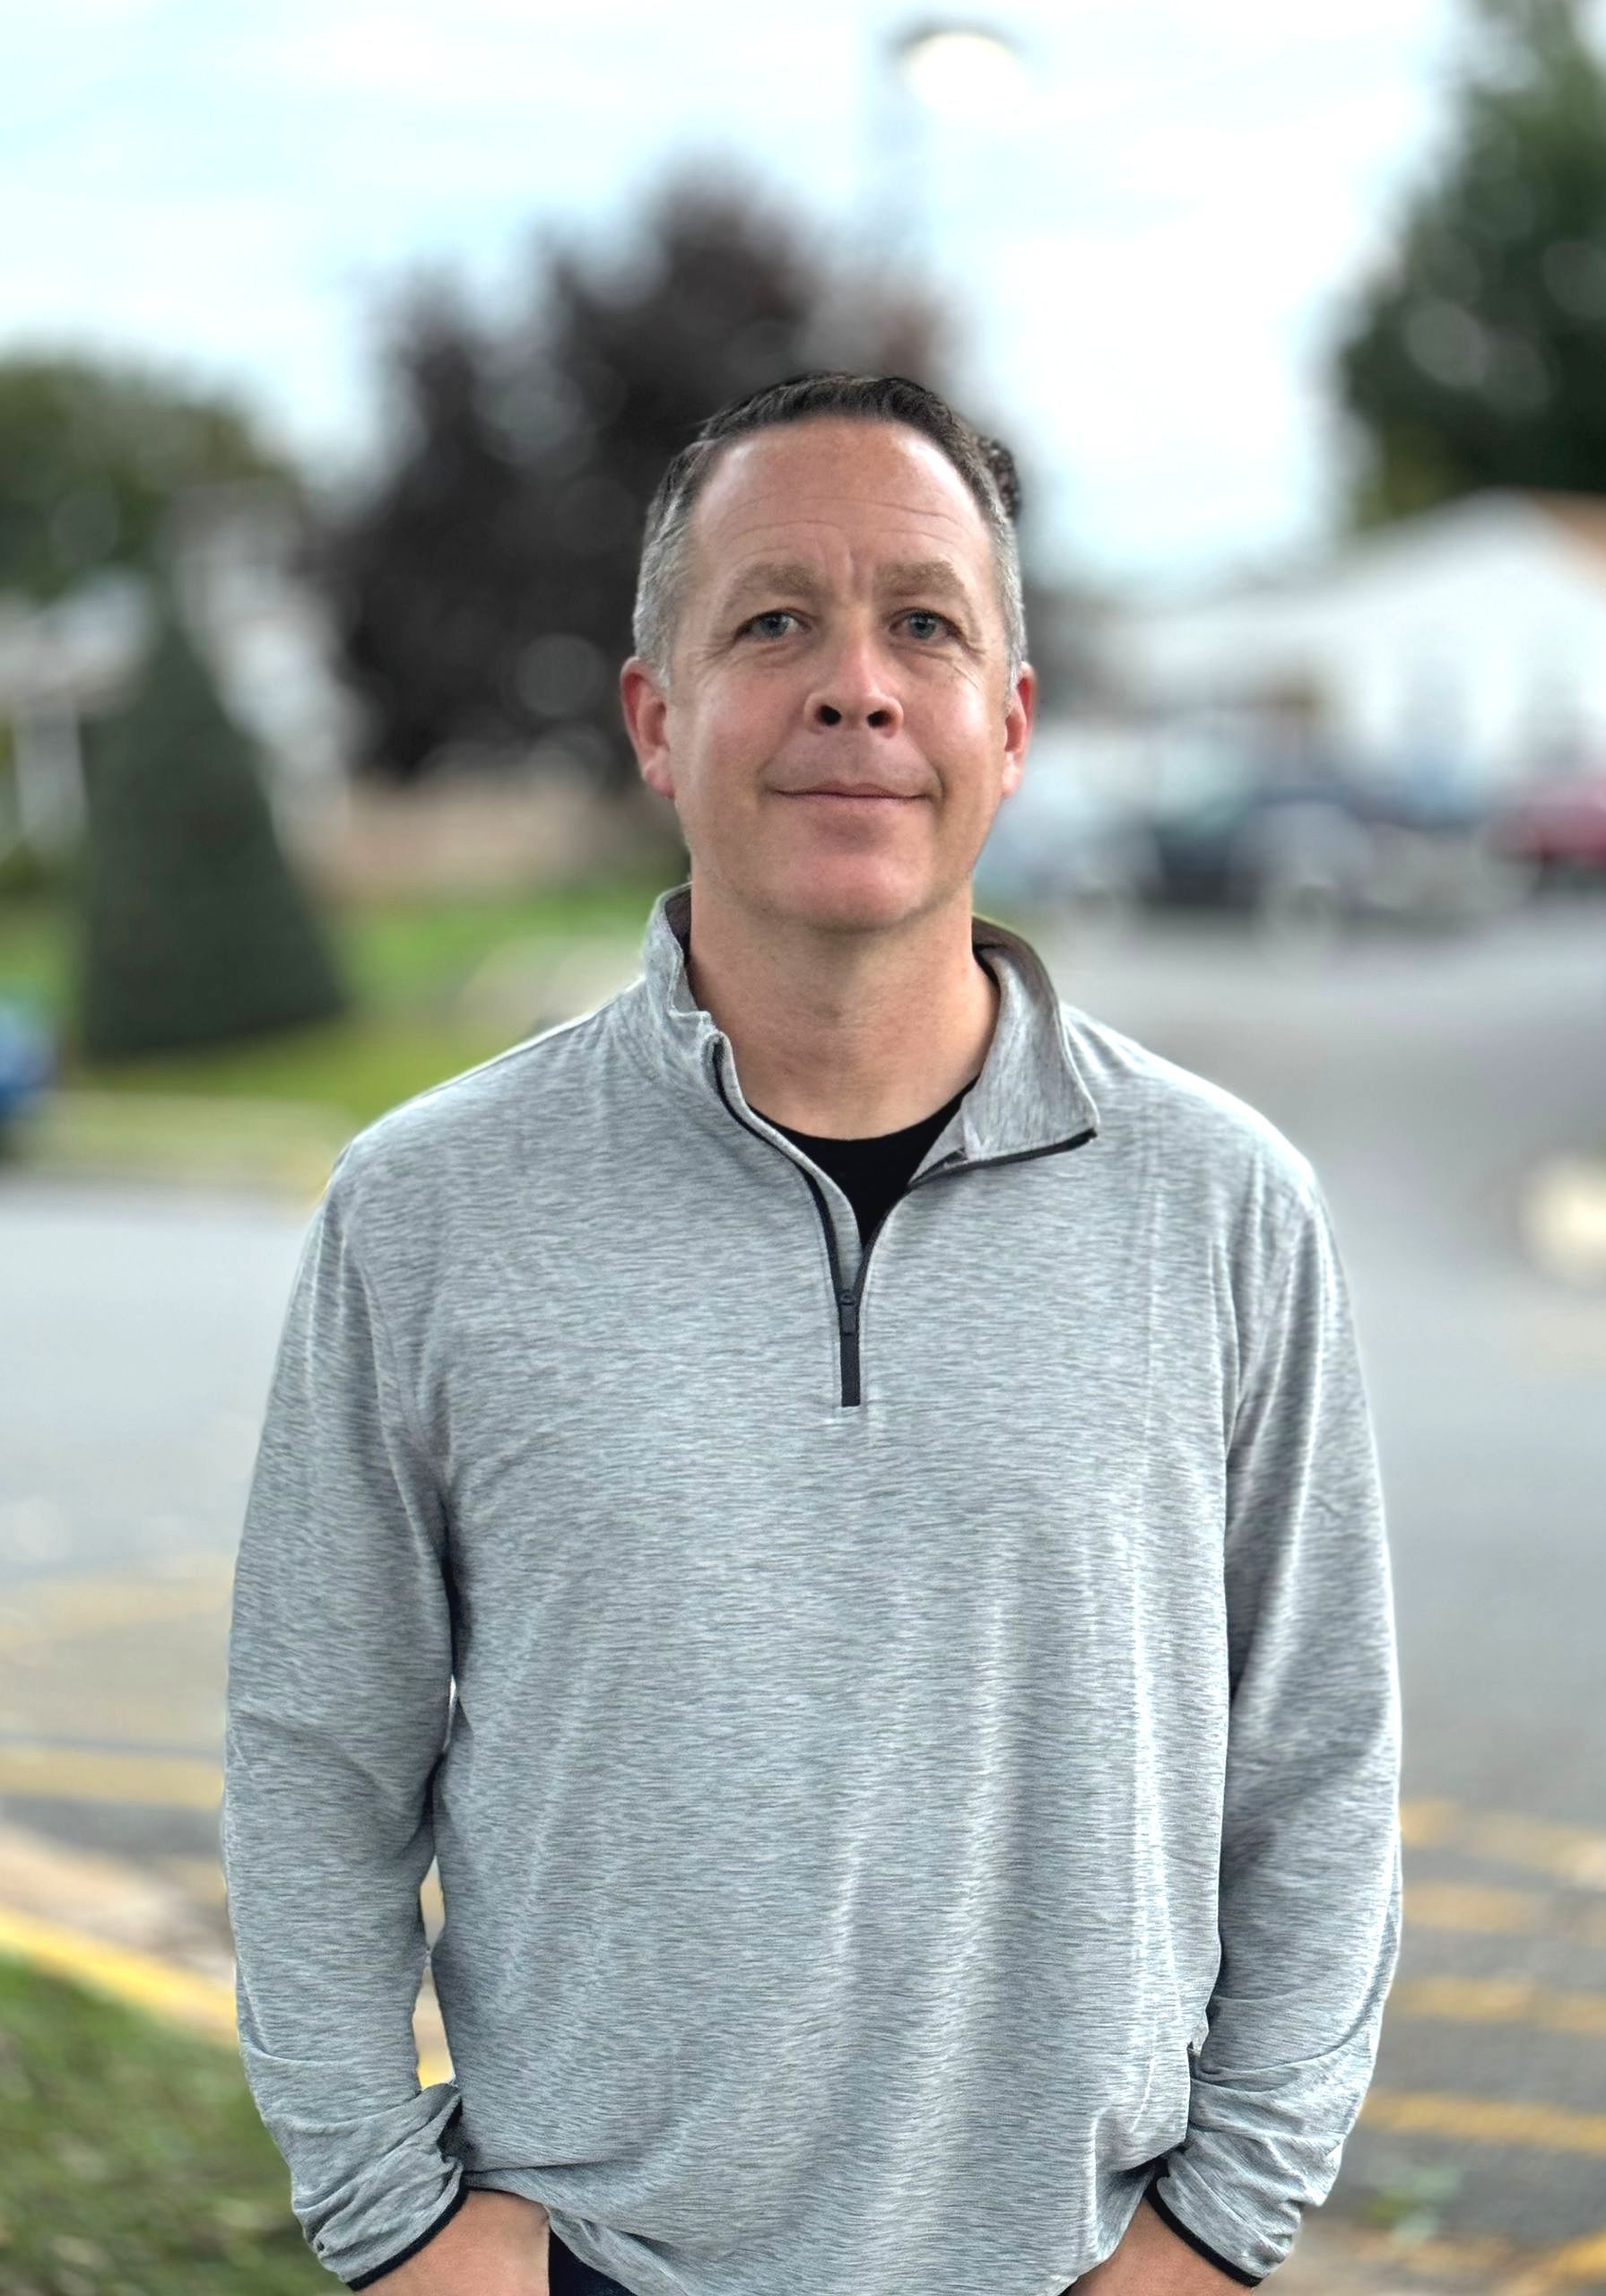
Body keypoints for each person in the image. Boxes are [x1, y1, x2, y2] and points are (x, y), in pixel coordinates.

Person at [221, 370, 1402, 2296]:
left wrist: (1221, 2228)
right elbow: (315, 1757)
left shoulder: (1228, 1205)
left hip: (1089, 2263)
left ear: (1006, 727)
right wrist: (390, 2218)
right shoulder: (427, 1209)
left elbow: (1320, 1762)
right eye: (774, 618)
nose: (856, 682)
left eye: (923, 621)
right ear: (654, 717)